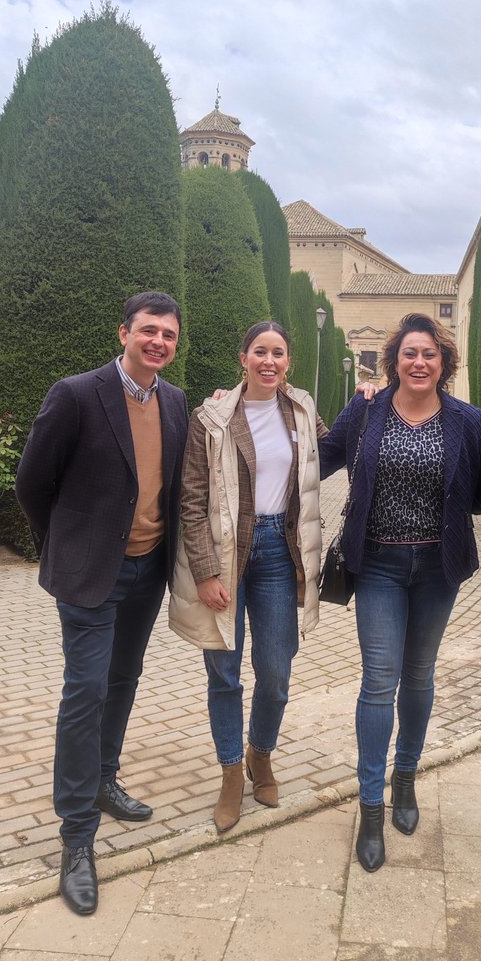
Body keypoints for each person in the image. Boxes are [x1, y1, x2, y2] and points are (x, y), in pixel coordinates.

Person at [15, 292, 189, 917]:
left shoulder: (174, 401)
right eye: (149, 331)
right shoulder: (77, 394)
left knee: (122, 679)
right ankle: (77, 836)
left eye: (168, 335)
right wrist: (63, 547)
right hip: (92, 573)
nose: (158, 343)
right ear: (124, 332)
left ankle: (105, 778)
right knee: (85, 689)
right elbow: (32, 481)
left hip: (147, 568)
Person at [319, 313, 481, 872]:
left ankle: (407, 777)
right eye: (410, 353)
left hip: (438, 569)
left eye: (430, 354)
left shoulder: (466, 420)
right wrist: (252, 407)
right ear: (393, 360)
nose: (420, 362)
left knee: (419, 675)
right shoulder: (365, 411)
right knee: (378, 679)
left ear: (444, 364)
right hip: (379, 568)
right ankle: (371, 805)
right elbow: (314, 460)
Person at [169, 321, 327, 834]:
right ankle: (232, 773)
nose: (269, 361)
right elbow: (191, 498)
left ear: (288, 363)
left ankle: (262, 754)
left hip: (280, 554)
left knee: (276, 671)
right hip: (226, 557)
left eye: (278, 353)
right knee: (225, 673)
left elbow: (341, 449)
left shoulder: (301, 410)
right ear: (243, 358)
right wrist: (206, 572)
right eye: (260, 351)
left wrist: (375, 401)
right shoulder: (211, 417)